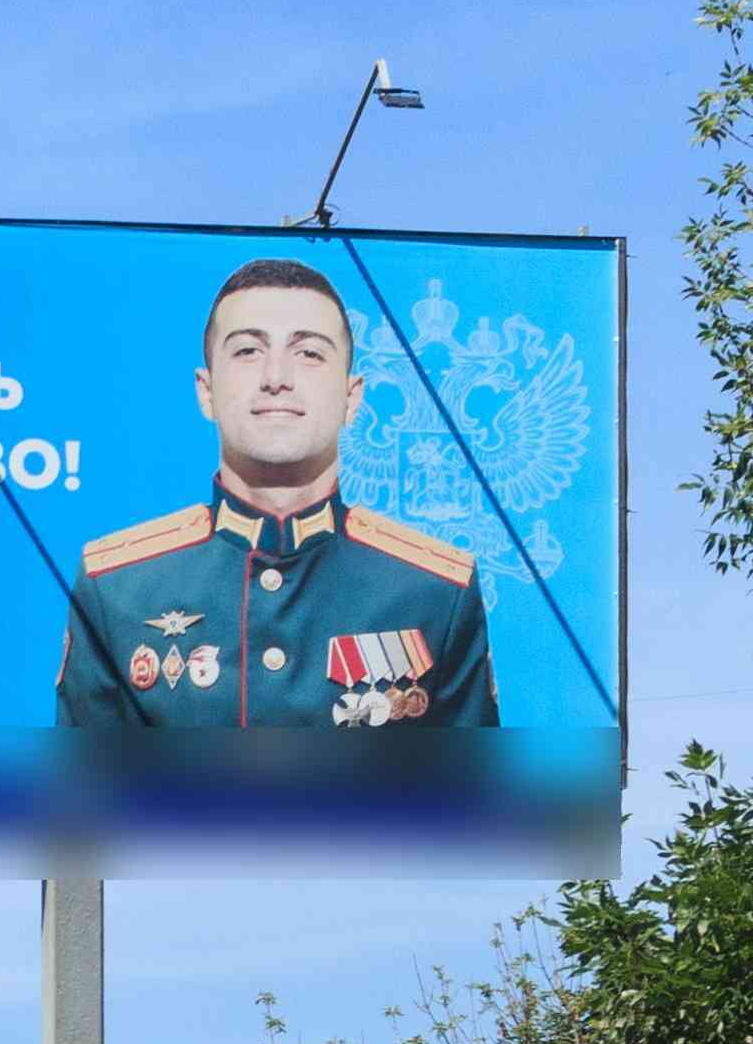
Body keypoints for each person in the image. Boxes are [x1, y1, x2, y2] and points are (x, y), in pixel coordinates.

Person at [54, 256, 497, 733]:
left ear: (352, 397)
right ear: (206, 391)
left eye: (309, 353)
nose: (276, 376)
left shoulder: (434, 589)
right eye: (247, 351)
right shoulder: (118, 585)